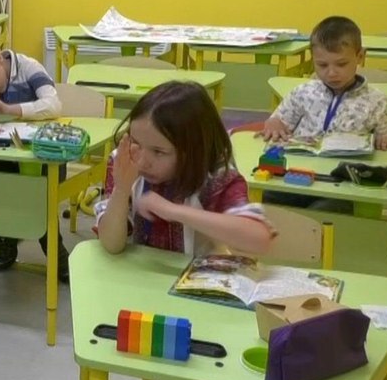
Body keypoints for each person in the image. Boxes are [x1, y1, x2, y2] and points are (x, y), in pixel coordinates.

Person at [95, 82, 275, 257]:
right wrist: (121, 189)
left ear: (193, 150)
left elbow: (259, 239)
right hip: (138, 280)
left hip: (198, 281)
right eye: (136, 142)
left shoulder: (216, 177)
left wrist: (173, 210)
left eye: (159, 152)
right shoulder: (125, 161)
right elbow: (112, 244)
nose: (142, 162)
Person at [0, 38, 68, 274]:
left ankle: (57, 255)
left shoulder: (28, 67)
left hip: (43, 156)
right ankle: (4, 243)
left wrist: (9, 110)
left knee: (36, 196)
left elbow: (53, 105)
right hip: (6, 154)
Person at [261, 16, 387, 150]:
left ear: (360, 57)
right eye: (322, 65)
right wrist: (274, 123)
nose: (331, 73)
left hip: (346, 167)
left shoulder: (378, 101)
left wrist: (385, 138)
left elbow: (386, 137)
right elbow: (278, 122)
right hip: (302, 164)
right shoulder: (303, 93)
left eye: (341, 64)